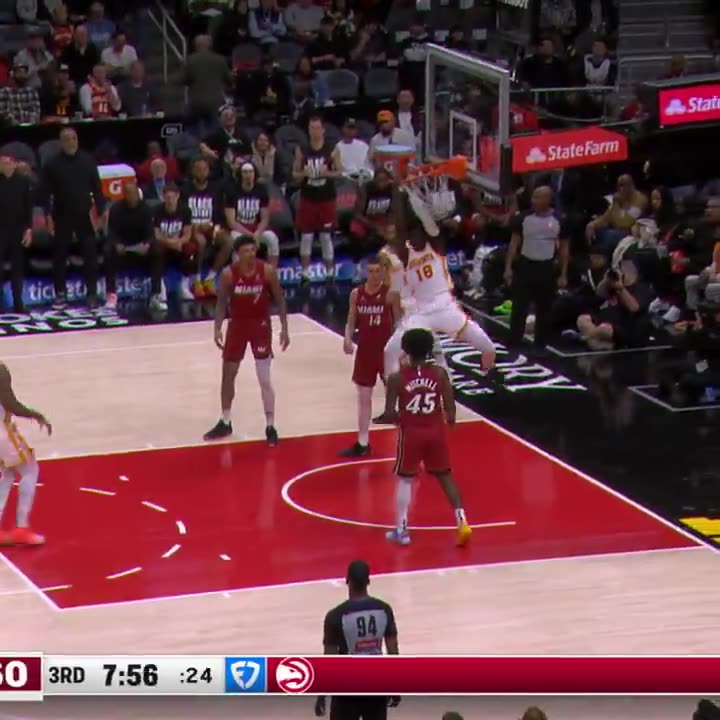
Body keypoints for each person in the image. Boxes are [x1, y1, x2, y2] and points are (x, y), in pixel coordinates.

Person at [380, 192, 496, 380]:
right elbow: (400, 227)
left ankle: (487, 371)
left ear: (423, 234)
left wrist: (415, 199)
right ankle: (392, 387)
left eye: (417, 234)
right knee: (390, 351)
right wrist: (398, 192)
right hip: (419, 312)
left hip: (445, 305)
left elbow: (430, 225)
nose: (413, 239)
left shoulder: (435, 245)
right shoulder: (405, 253)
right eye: (410, 236)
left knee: (488, 347)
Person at [381, 328, 471, 548]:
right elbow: (450, 411)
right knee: (445, 476)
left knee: (405, 479)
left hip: (412, 433)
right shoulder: (440, 373)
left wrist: (396, 418)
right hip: (435, 431)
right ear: (430, 349)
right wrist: (449, 423)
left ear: (405, 350)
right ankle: (462, 521)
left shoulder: (396, 378)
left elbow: (390, 414)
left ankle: (402, 530)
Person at [204, 234, 290, 446]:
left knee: (264, 379)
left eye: (253, 250)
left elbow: (280, 299)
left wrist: (285, 329)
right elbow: (221, 303)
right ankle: (225, 421)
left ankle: (270, 425)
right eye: (246, 251)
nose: (251, 254)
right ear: (237, 254)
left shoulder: (266, 271)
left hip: (260, 326)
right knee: (228, 375)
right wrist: (217, 328)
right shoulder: (229, 274)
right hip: (237, 326)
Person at [315, 559, 399, 720]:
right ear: (368, 581)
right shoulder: (384, 609)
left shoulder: (335, 615)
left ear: (347, 581)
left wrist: (322, 694)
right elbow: (393, 652)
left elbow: (329, 659)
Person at [340, 256, 400, 458]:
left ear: (383, 272)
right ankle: (362, 442)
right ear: (366, 272)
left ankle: (407, 440)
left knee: (398, 396)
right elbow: (351, 319)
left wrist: (401, 350)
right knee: (364, 398)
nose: (374, 275)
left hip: (386, 351)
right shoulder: (357, 294)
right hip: (365, 351)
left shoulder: (391, 294)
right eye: (371, 271)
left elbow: (399, 324)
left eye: (378, 271)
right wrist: (347, 338)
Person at [41, 126, 106, 309]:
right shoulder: (52, 163)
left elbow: (97, 189)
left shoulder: (88, 160)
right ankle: (60, 294)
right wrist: (47, 215)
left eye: (74, 138)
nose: (71, 142)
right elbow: (44, 193)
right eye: (67, 139)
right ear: (61, 142)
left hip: (84, 215)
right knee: (60, 256)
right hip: (61, 215)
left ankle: (91, 294)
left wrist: (102, 213)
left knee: (90, 254)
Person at [504, 185, 570, 350]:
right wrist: (508, 268)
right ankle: (514, 341)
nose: (533, 200)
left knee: (544, 308)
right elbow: (514, 244)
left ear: (548, 199)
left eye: (538, 197)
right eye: (533, 197)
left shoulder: (560, 220)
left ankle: (540, 344)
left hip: (546, 267)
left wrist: (563, 274)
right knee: (519, 306)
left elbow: (564, 249)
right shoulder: (522, 218)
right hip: (525, 265)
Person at [0, 362, 52, 547]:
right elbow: (11, 404)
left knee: (8, 474)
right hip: (3, 435)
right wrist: (36, 415)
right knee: (30, 470)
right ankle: (22, 527)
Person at [292, 115, 341, 285]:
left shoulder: (332, 148)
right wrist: (303, 174)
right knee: (306, 236)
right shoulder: (302, 149)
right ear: (308, 130)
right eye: (312, 128)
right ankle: (305, 274)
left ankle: (330, 273)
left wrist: (327, 173)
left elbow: (339, 172)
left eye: (317, 128)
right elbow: (294, 174)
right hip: (308, 198)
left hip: (326, 198)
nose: (315, 131)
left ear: (323, 130)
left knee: (326, 237)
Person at [105, 182, 164, 311]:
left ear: (138, 194)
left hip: (141, 248)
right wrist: (117, 243)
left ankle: (155, 295)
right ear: (124, 195)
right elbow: (112, 232)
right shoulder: (116, 209)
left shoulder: (146, 209)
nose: (131, 197)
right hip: (122, 249)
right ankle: (111, 294)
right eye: (128, 194)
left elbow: (150, 233)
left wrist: (147, 244)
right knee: (108, 251)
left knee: (157, 251)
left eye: (134, 194)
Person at [181, 155, 232, 298]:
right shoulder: (185, 190)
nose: (201, 172)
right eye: (198, 169)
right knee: (201, 242)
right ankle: (197, 280)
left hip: (210, 226)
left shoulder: (215, 189)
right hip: (191, 228)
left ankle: (210, 278)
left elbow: (219, 214)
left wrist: (213, 226)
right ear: (192, 171)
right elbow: (181, 215)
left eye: (204, 169)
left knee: (228, 242)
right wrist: (195, 226)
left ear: (208, 171)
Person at [224, 161, 280, 269]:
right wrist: (250, 235)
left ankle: (272, 272)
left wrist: (258, 233)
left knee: (272, 239)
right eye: (245, 172)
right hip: (239, 228)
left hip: (256, 227)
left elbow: (265, 218)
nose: (248, 175)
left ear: (255, 174)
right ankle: (239, 273)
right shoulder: (232, 190)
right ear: (240, 175)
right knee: (238, 241)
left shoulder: (261, 190)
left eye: (250, 172)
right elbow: (231, 222)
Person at [0, 154, 33, 312]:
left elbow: (28, 207)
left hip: (18, 230)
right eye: (1, 163)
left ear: (14, 164)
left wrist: (29, 229)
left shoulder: (23, 181)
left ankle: (18, 302)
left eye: (6, 163)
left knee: (18, 268)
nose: (3, 166)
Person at [153, 184, 195, 301]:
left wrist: (179, 241)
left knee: (190, 248)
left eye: (172, 197)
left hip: (178, 243)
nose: (170, 200)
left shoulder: (185, 210)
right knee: (156, 250)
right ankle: (161, 287)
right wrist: (168, 242)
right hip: (163, 243)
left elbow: (187, 233)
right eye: (167, 197)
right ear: (163, 197)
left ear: (178, 196)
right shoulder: (156, 210)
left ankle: (184, 285)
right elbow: (156, 234)